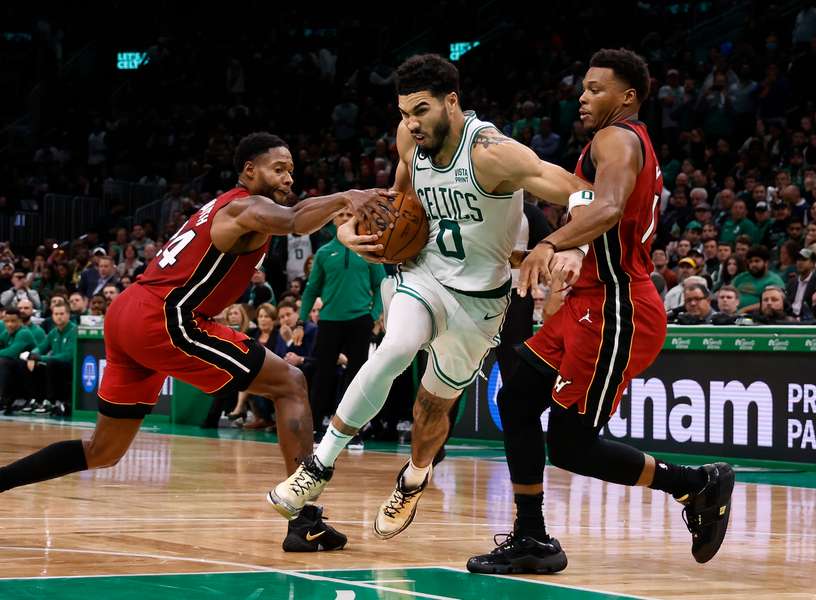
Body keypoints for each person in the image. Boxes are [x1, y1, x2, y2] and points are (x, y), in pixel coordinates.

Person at [0, 132, 390, 553]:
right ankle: (304, 519)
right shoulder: (246, 206)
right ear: (248, 170)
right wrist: (349, 195)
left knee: (104, 450)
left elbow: (296, 215)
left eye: (291, 171)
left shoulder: (227, 207)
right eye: (278, 169)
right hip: (165, 319)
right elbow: (296, 218)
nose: (287, 178)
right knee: (290, 383)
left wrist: (341, 217)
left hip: (130, 311)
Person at [267, 54, 592, 541]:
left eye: (420, 110)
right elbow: (396, 207)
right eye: (403, 113)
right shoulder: (408, 140)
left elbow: (580, 191)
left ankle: (415, 477)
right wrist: (359, 233)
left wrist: (576, 245)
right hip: (421, 277)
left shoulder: (492, 152)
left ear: (452, 102)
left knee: (431, 410)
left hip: (480, 303)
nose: (411, 124)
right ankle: (319, 464)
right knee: (396, 347)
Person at [466, 49, 732, 574]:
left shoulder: (618, 138)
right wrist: (558, 250)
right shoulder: (607, 145)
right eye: (582, 89)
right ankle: (531, 536)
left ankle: (695, 483)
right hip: (589, 302)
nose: (582, 97)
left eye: (594, 89)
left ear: (627, 97)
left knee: (570, 444)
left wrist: (550, 245)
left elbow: (608, 208)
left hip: (618, 309)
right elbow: (603, 217)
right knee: (517, 397)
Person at [299, 207, 386, 438]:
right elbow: (311, 290)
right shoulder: (324, 253)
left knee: (357, 378)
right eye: (342, 215)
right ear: (333, 219)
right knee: (322, 375)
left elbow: (381, 284)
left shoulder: (367, 248)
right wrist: (300, 321)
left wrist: (374, 313)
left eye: (350, 215)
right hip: (329, 321)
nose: (346, 219)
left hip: (360, 321)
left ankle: (351, 430)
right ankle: (315, 427)